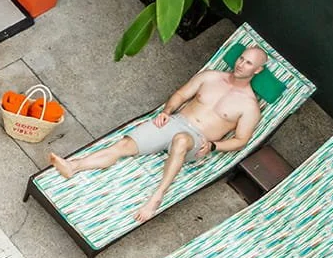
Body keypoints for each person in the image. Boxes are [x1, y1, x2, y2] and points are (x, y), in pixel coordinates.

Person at [48, 42, 268, 224]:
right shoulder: (210, 77)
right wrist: (167, 111)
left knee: (181, 140)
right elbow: (181, 95)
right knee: (125, 144)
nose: (241, 64)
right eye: (241, 58)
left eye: (248, 63)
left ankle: (157, 196)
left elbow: (241, 141)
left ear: (257, 70)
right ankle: (74, 166)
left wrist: (213, 146)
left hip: (198, 141)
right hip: (176, 121)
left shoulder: (249, 106)